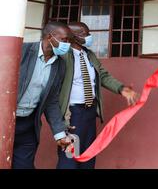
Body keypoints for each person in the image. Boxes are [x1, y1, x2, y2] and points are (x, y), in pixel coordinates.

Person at [56, 22, 139, 169]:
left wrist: (121, 89)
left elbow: (103, 76)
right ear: (73, 37)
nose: (89, 37)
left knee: (89, 155)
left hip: (89, 112)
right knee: (69, 156)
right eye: (85, 34)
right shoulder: (64, 56)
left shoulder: (89, 55)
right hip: (72, 114)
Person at [13, 21, 72, 169]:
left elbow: (51, 101)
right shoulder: (22, 51)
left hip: (28, 125)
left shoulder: (60, 65)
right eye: (64, 40)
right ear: (50, 37)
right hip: (6, 121)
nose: (67, 44)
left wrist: (59, 134)